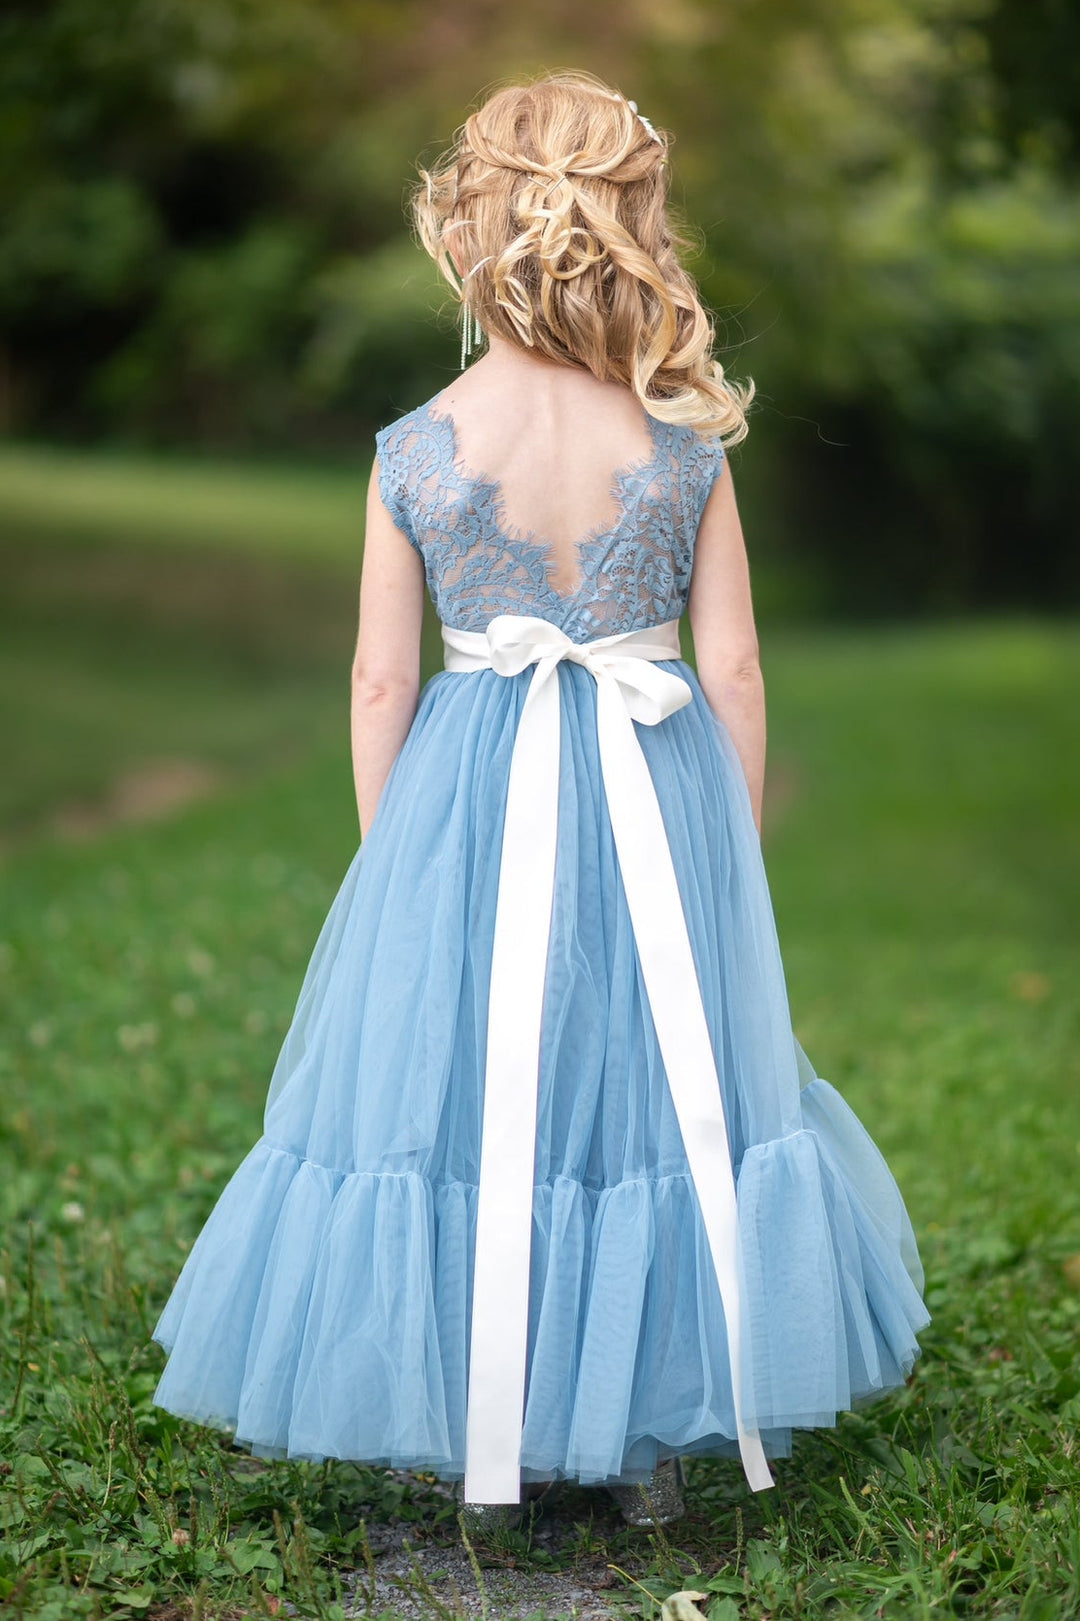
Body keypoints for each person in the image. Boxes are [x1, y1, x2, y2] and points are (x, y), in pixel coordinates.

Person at [151, 68, 930, 1539]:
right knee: (638, 1083)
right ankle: (642, 1434)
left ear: (471, 231)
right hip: (653, 786)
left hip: (471, 795)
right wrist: (726, 846)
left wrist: (398, 861)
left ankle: (472, 1420)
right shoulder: (683, 444)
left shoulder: (413, 447)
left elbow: (381, 680)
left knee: (469, 1089)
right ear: (631, 228)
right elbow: (735, 664)